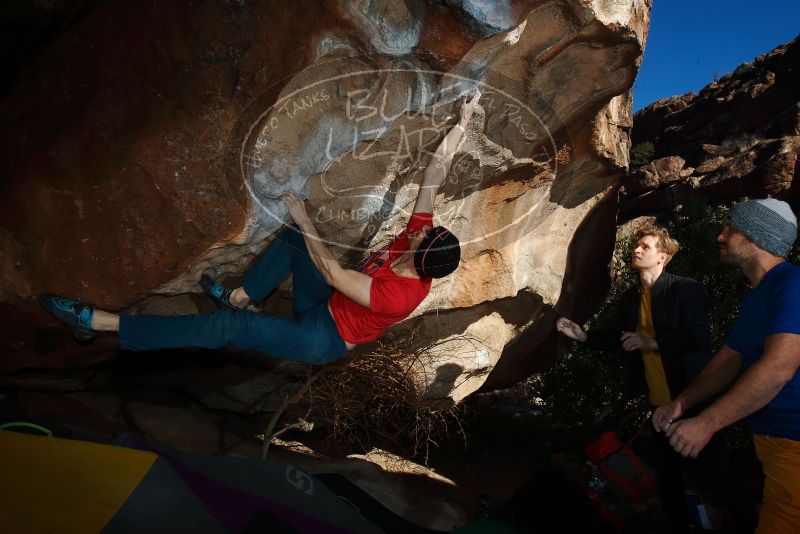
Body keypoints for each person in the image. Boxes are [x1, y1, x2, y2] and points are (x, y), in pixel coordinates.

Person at [39, 91, 481, 364]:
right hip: (324, 304)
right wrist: (461, 125)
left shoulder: (401, 295)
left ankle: (104, 324)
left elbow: (334, 274)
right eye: (426, 230)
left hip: (321, 339)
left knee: (234, 331)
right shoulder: (418, 241)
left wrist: (306, 217)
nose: (421, 228)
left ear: (419, 259)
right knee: (293, 241)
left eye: (423, 236)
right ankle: (242, 296)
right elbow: (432, 177)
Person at [557, 224, 755, 532]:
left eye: (645, 247)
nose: (636, 250)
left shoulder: (685, 290)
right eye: (636, 245)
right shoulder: (631, 300)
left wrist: (652, 342)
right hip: (659, 403)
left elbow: (698, 341)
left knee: (719, 474)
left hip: (694, 399)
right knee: (667, 477)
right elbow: (620, 339)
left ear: (662, 257)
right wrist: (584, 336)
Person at [652, 198, 800, 534]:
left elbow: (779, 368)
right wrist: (683, 402)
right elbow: (729, 359)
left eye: (730, 228)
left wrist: (707, 423)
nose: (721, 236)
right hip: (778, 445)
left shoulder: (793, 285)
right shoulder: (759, 295)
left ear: (755, 237)